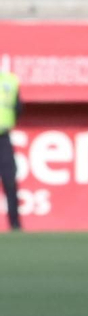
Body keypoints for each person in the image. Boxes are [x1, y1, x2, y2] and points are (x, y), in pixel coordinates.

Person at [0, 67, 20, 231]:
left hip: (3, 137)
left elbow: (18, 107)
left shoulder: (10, 81)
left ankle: (15, 224)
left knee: (9, 179)